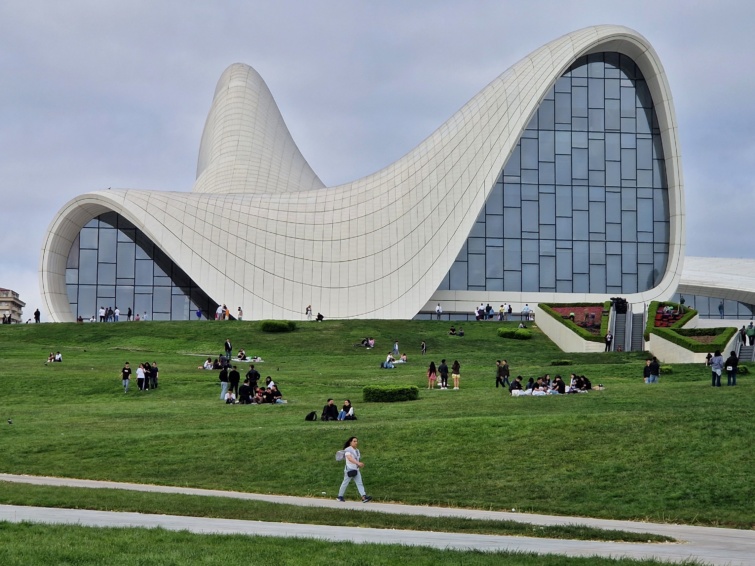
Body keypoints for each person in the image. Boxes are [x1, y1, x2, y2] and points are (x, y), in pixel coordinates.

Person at [336, 437, 372, 503]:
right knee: (345, 483)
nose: (356, 443)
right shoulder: (347, 450)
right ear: (350, 442)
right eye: (354, 441)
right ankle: (339, 496)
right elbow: (349, 458)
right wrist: (358, 463)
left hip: (356, 469)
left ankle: (364, 497)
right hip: (349, 469)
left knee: (359, 483)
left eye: (356, 441)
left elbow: (356, 459)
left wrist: (358, 465)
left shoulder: (357, 450)